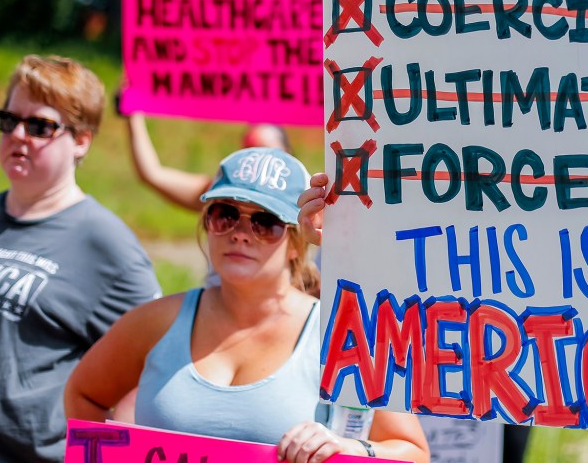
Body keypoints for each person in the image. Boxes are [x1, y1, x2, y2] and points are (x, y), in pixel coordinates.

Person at [65, 147, 429, 463]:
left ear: (294, 242)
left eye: (265, 222)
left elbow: (412, 451)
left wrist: (349, 448)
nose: (240, 233)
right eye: (225, 214)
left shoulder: (340, 334)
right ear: (207, 223)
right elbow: (83, 395)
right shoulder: (157, 322)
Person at [0, 54, 161, 462]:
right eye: (9, 120)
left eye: (40, 126)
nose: (18, 135)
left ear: (81, 140)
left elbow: (147, 376)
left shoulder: (108, 246)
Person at [126, 111, 292, 212]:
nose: (259, 162)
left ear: (287, 154)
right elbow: (153, 174)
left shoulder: (305, 200)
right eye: (227, 217)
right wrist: (134, 117)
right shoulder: (221, 195)